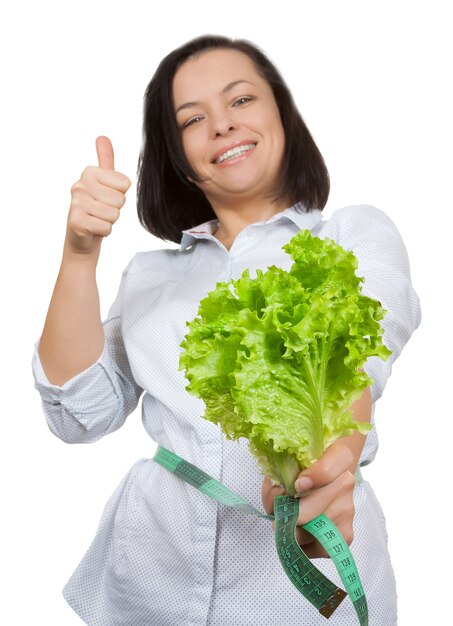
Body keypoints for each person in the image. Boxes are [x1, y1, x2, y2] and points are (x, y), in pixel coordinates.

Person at [32, 35, 421, 626]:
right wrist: (80, 253)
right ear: (176, 153)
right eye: (193, 119)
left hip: (296, 595)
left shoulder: (351, 236)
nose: (221, 125)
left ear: (282, 115)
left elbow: (356, 363)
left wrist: (321, 477)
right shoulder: (149, 276)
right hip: (149, 575)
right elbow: (78, 413)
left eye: (241, 100)